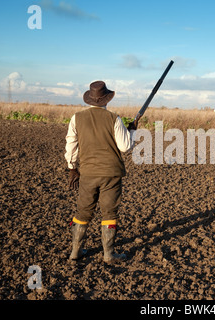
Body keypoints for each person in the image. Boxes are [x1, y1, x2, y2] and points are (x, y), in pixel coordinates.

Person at [64, 80, 138, 264]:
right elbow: (125, 147)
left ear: (89, 99)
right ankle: (109, 254)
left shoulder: (76, 118)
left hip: (87, 173)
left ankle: (75, 251)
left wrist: (72, 168)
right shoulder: (115, 119)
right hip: (111, 175)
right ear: (107, 99)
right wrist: (133, 130)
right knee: (109, 213)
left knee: (83, 211)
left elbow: (71, 145)